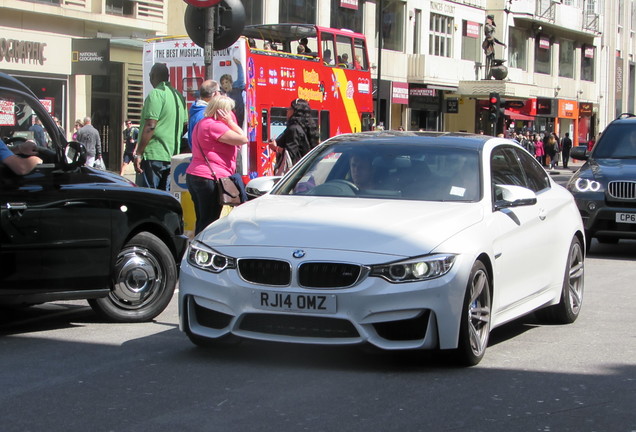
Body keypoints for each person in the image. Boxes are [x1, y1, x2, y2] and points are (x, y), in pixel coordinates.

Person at [186, 96, 248, 234]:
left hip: (195, 174)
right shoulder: (215, 126)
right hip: (210, 177)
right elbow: (243, 139)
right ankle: (202, 251)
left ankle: (197, 246)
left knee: (202, 218)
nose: (231, 113)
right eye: (229, 110)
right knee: (210, 221)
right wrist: (230, 122)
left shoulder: (202, 123)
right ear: (222, 111)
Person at [134, 62, 187, 191]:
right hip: (171, 154)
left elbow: (150, 125)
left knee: (149, 197)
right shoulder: (178, 96)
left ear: (153, 76)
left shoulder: (156, 94)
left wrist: (138, 153)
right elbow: (185, 126)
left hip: (153, 154)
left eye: (150, 75)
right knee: (165, 196)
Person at [268, 98, 319, 174]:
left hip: (294, 174)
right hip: (305, 171)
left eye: (289, 108)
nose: (287, 111)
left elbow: (291, 154)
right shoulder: (307, 127)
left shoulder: (293, 129)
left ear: (295, 111)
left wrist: (276, 148)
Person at [188, 79, 221, 149]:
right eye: (219, 91)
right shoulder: (205, 115)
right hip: (206, 156)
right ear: (215, 93)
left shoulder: (196, 109)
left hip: (197, 155)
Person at [219, 57, 245, 128]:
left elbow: (241, 78)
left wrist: (239, 65)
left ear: (231, 82)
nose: (225, 85)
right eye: (223, 83)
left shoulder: (237, 87)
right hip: (230, 120)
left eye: (226, 82)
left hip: (240, 117)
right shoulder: (222, 93)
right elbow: (208, 91)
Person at [482, 14, 506, 79]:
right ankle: (487, 76)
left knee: (492, 62)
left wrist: (502, 44)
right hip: (488, 46)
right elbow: (489, 36)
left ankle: (489, 75)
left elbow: (493, 38)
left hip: (491, 47)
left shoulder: (490, 27)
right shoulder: (487, 26)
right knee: (488, 62)